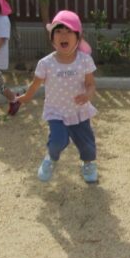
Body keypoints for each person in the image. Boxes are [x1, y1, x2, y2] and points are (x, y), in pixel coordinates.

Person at [15, 10, 98, 184]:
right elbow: (35, 85)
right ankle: (50, 159)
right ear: (52, 38)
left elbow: (91, 84)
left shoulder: (84, 61)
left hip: (79, 111)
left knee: (87, 144)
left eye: (68, 31)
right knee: (57, 142)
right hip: (56, 112)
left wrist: (87, 95)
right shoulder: (46, 63)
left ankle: (88, 164)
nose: (63, 35)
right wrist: (26, 97)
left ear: (78, 37)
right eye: (58, 31)